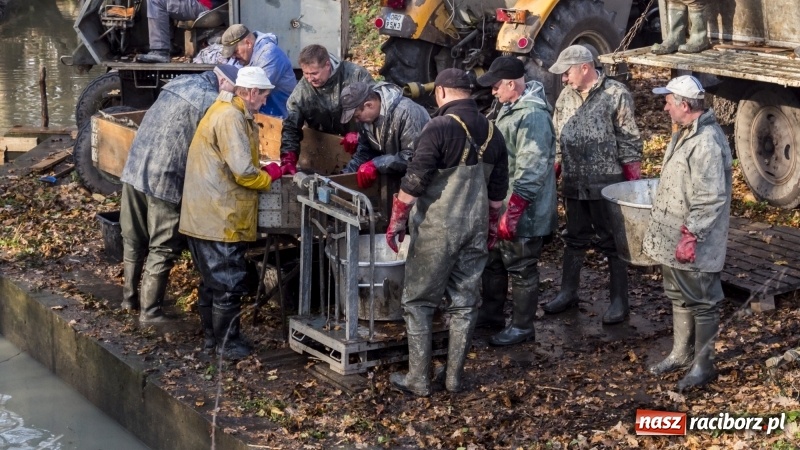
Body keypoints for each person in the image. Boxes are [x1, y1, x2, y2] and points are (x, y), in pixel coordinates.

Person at [387, 68, 509, 396]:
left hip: (438, 230)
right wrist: (490, 227)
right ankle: (454, 378)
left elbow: (414, 181)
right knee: (465, 303)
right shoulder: (493, 132)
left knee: (418, 301)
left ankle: (418, 379)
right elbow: (498, 190)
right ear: (469, 92)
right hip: (474, 227)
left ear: (441, 92)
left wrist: (397, 220)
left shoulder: (437, 126)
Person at [119, 64, 239, 323]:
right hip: (165, 177)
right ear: (222, 81)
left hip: (135, 167)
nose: (235, 96)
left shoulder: (180, 82)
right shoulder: (213, 102)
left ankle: (128, 299)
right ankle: (149, 313)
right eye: (234, 89)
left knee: (133, 239)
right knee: (162, 247)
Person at [179, 67, 283, 358]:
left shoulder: (223, 109)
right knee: (227, 284)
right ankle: (228, 344)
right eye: (263, 95)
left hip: (203, 213)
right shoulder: (231, 117)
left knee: (211, 284)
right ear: (250, 93)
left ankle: (212, 340)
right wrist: (270, 176)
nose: (264, 101)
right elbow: (244, 172)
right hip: (219, 216)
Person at [542, 45, 643, 325]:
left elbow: (629, 138)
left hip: (607, 183)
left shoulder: (615, 93)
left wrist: (632, 178)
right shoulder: (566, 96)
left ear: (585, 68)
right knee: (573, 237)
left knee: (611, 241)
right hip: (575, 182)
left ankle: (619, 302)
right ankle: (568, 292)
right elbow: (558, 134)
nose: (563, 78)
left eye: (567, 72)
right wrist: (556, 168)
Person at [643, 75, 732, 390]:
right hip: (674, 237)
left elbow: (711, 197)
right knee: (678, 294)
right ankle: (681, 354)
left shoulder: (706, 141)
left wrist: (690, 236)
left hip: (695, 241)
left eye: (668, 101)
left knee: (704, 301)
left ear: (683, 104)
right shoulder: (685, 133)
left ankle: (702, 365)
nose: (665, 107)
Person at [475, 57, 557, 346]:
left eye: (496, 86)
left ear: (512, 84)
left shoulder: (532, 116)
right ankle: (491, 313)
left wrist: (514, 210)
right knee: (494, 261)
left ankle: (523, 326)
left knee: (522, 266)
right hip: (504, 202)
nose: (493, 92)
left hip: (526, 210)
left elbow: (531, 166)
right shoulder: (509, 107)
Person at [278, 44, 374, 175]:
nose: (310, 79)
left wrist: (362, 134)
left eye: (314, 73)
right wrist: (288, 157)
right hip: (323, 153)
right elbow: (291, 125)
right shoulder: (302, 90)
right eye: (305, 73)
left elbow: (375, 109)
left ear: (327, 65)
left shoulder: (356, 75)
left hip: (361, 150)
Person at [337, 81, 430, 189]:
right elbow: (365, 150)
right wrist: (345, 175)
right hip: (395, 175)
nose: (356, 121)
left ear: (369, 105)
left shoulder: (407, 113)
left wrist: (377, 164)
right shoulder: (366, 120)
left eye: (357, 116)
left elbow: (412, 157)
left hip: (422, 180)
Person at [219, 24, 297, 118]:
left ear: (248, 43)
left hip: (281, 119)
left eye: (235, 52)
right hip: (263, 117)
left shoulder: (269, 54)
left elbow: (252, 93)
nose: (233, 57)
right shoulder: (246, 56)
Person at [138, 0, 226, 63]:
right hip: (211, 4)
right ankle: (168, 46)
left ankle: (160, 51)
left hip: (206, 4)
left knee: (155, 1)